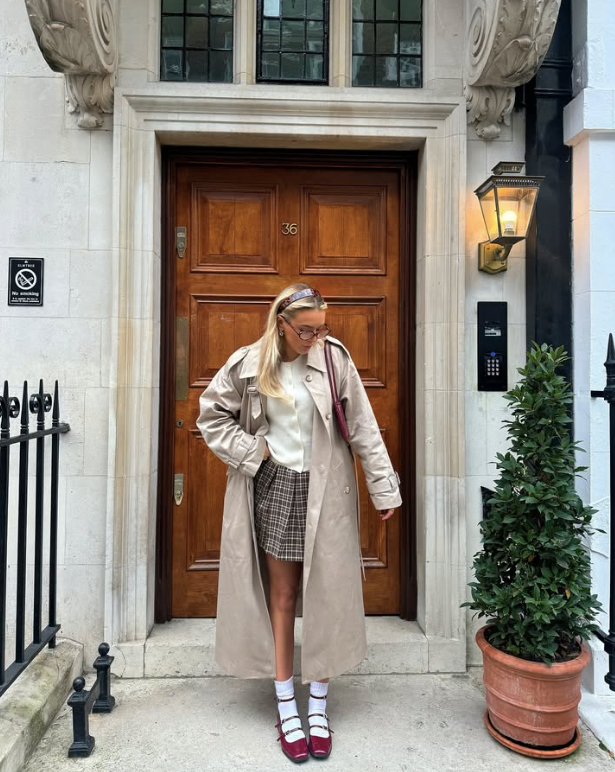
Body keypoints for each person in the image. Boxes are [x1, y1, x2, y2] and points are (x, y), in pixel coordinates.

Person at [196, 284, 401, 763]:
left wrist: (382, 486)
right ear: (281, 323)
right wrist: (254, 451)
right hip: (274, 485)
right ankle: (286, 703)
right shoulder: (249, 363)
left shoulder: (334, 360)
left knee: (328, 594)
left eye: (321, 327)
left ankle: (319, 708)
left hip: (327, 488)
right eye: (305, 329)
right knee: (283, 597)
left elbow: (364, 426)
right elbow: (210, 415)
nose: (314, 336)